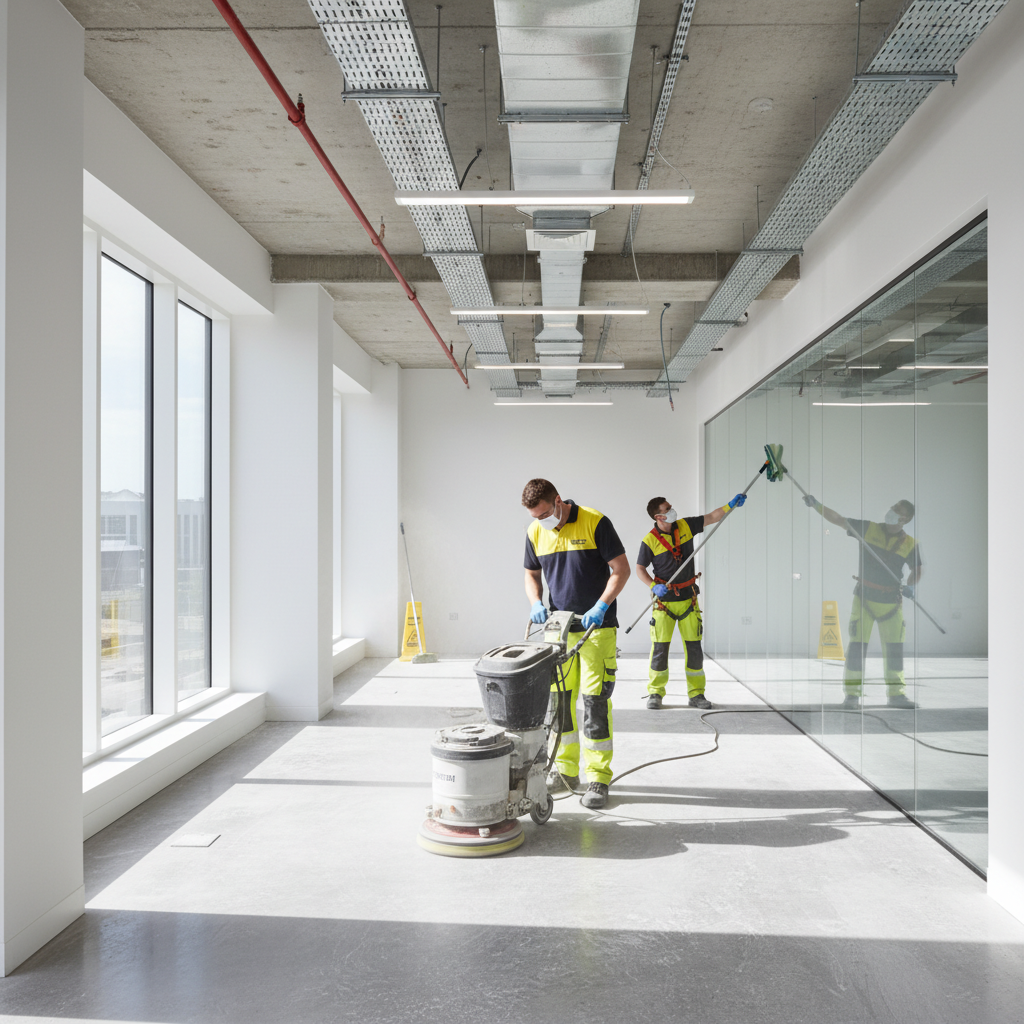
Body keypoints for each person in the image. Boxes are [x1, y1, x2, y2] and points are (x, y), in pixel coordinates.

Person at [523, 479, 629, 810]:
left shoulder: (595, 522)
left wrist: (602, 605)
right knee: (559, 703)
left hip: (596, 628)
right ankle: (566, 771)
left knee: (595, 702)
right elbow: (531, 573)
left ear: (558, 501)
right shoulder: (535, 532)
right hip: (559, 628)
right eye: (535, 516)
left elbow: (621, 569)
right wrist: (535, 601)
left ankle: (598, 777)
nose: (541, 521)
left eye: (544, 514)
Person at [802, 495, 922, 709]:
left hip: (891, 604)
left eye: (897, 510)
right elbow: (839, 519)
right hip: (864, 599)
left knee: (894, 650)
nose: (892, 510)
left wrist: (910, 585)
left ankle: (896, 695)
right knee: (856, 648)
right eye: (893, 506)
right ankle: (852, 695)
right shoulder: (868, 529)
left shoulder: (910, 544)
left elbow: (917, 569)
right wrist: (817, 506)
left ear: (904, 519)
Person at [636, 494, 746, 711]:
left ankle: (696, 694)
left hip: (688, 599)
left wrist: (730, 506)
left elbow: (712, 517)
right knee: (660, 649)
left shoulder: (685, 526)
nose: (672, 511)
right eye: (667, 509)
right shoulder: (649, 540)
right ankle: (655, 692)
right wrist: (653, 586)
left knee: (694, 649)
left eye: (670, 507)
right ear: (659, 517)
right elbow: (640, 568)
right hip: (664, 603)